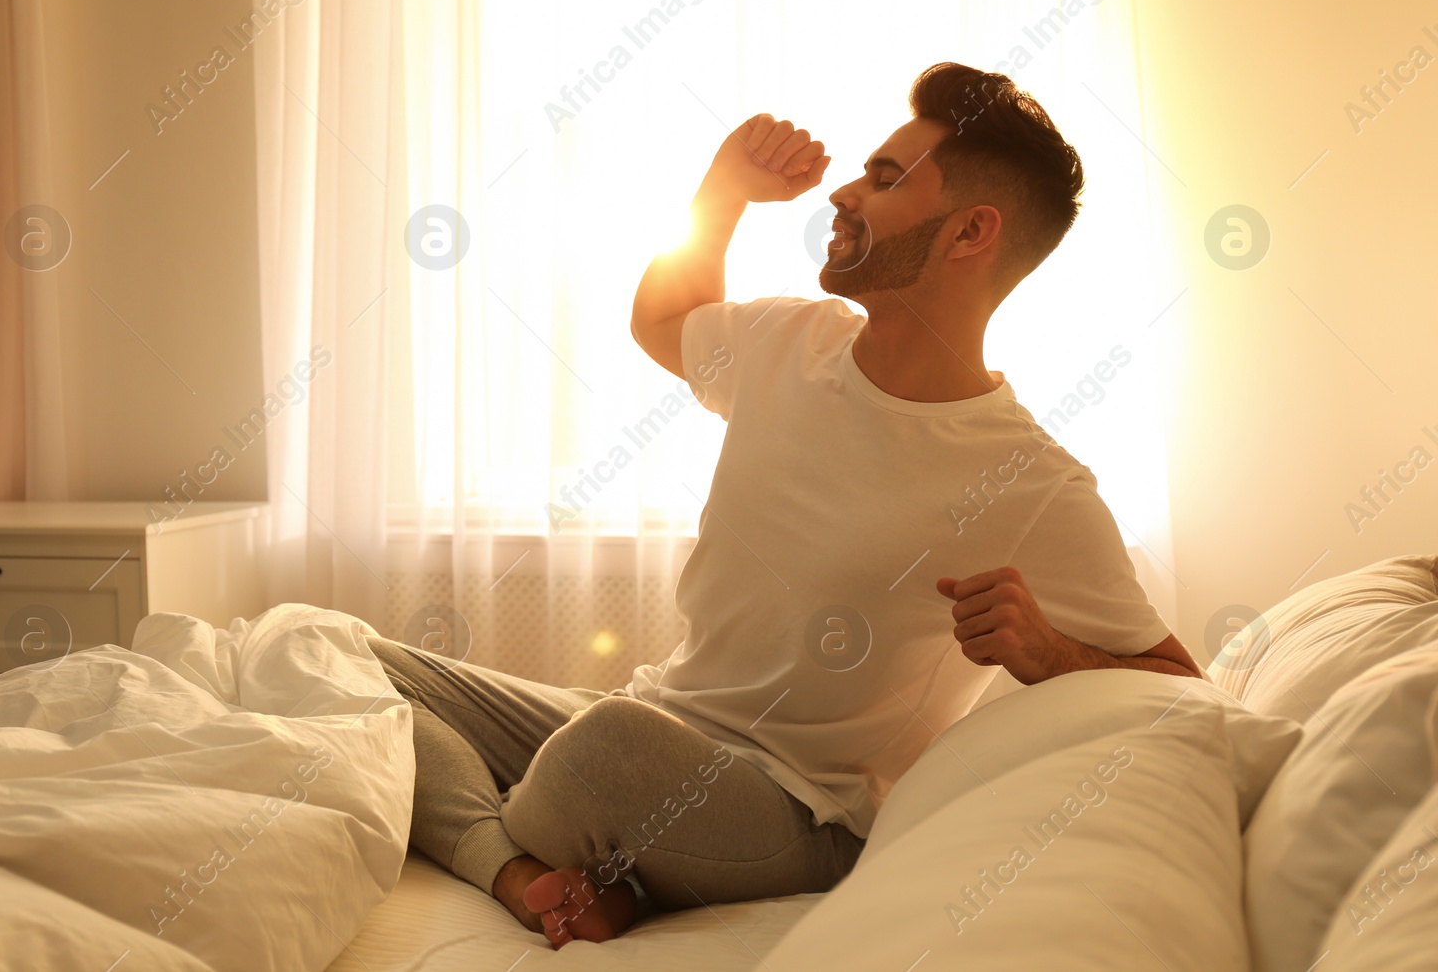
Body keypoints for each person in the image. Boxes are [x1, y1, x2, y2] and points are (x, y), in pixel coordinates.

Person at [367, 61, 1204, 949]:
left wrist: (1049, 650)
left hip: (800, 810)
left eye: (886, 178)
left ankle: (502, 832)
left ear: (970, 233)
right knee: (349, 658)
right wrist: (723, 188)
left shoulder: (1032, 479)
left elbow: (1184, 686)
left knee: (598, 753)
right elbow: (662, 320)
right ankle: (522, 873)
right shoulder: (787, 341)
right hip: (665, 721)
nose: (845, 190)